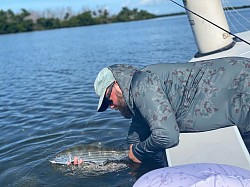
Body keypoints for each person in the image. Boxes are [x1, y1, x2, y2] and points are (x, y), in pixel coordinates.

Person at [94, 57, 250, 166]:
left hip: (241, 87)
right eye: (106, 106)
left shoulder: (142, 85)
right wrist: (94, 161)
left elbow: (167, 136)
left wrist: (139, 152)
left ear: (118, 84)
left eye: (108, 98)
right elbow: (131, 144)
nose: (111, 106)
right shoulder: (138, 101)